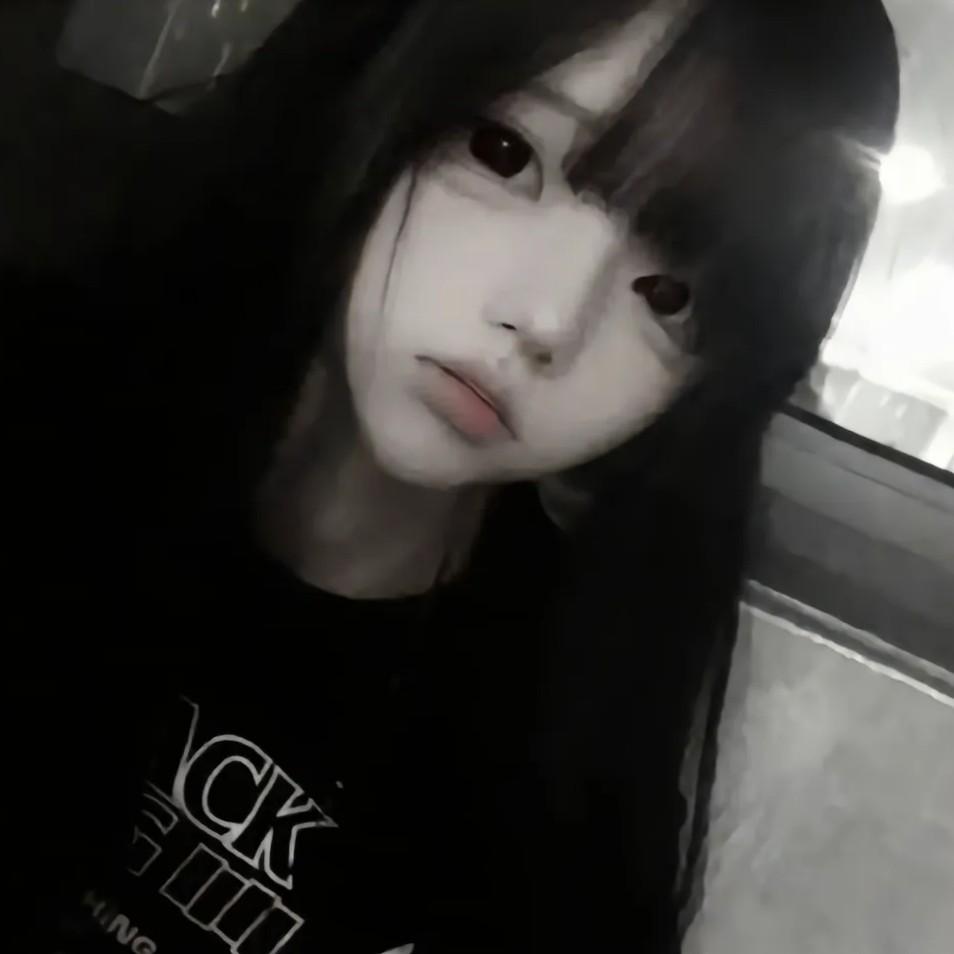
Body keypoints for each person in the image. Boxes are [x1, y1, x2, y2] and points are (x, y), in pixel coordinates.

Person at [5, 1, 898, 952]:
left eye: (671, 297)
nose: (550, 319)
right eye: (504, 154)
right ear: (384, 78)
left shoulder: (558, 750)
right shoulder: (47, 405)